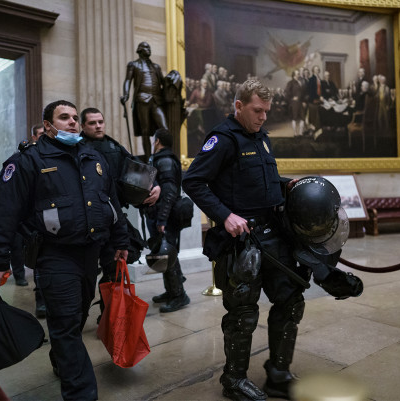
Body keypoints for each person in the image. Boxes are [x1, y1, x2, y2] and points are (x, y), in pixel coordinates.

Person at [0, 100, 129, 400]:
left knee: (75, 319)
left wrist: (120, 241)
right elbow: (4, 214)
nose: (73, 122)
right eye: (64, 118)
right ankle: (81, 393)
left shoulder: (94, 157)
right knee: (65, 325)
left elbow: (111, 203)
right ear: (48, 126)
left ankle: (62, 362)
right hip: (54, 256)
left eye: (75, 117)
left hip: (90, 255)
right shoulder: (27, 161)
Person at [182, 79, 304, 400]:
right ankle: (234, 380)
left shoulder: (261, 138)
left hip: (271, 236)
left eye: (266, 111)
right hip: (240, 242)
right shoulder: (223, 139)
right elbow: (193, 181)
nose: (263, 117)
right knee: (242, 315)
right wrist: (224, 215)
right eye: (257, 110)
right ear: (238, 106)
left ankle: (278, 373)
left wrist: (288, 184)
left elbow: (259, 180)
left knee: (291, 301)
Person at [79, 107, 159, 317]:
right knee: (83, 275)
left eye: (100, 122)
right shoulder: (76, 149)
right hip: (84, 222)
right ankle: (77, 317)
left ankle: (109, 316)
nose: (98, 126)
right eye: (92, 123)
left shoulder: (113, 146)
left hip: (113, 220)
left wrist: (155, 186)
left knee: (114, 270)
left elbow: (137, 170)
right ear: (83, 126)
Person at [145, 128, 190, 313]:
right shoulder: (162, 158)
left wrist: (162, 219)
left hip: (166, 217)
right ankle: (171, 291)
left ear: (157, 141)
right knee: (163, 254)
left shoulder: (164, 160)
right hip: (161, 215)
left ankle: (179, 295)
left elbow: (169, 192)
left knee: (168, 255)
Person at [121, 41, 169, 161]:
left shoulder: (156, 67)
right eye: (146, 47)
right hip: (142, 100)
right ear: (140, 50)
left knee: (164, 128)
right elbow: (128, 81)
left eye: (149, 47)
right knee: (145, 131)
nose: (149, 49)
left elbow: (164, 83)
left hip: (157, 100)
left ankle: (161, 155)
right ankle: (149, 158)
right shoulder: (133, 65)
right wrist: (126, 95)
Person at [285, 69, 305, 137]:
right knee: (295, 117)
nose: (298, 75)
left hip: (300, 102)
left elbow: (302, 93)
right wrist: (292, 98)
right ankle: (295, 133)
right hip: (294, 103)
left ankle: (300, 133)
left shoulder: (300, 82)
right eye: (297, 73)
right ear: (293, 75)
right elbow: (287, 92)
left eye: (298, 73)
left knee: (303, 117)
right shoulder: (290, 83)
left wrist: (303, 101)